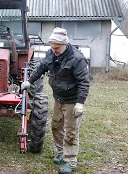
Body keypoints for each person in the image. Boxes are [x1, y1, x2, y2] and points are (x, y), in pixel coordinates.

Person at [21, 27, 90, 174]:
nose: (54, 50)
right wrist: (30, 81)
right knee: (56, 127)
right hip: (58, 98)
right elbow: (41, 68)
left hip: (72, 101)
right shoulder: (51, 54)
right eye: (52, 47)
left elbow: (84, 82)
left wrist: (80, 102)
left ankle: (70, 161)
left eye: (57, 48)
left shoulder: (77, 59)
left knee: (71, 132)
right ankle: (61, 152)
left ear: (65, 45)